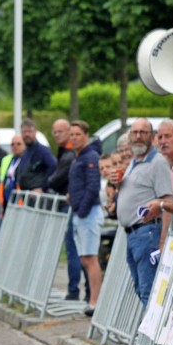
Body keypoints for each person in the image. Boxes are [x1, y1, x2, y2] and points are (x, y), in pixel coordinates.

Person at [116, 118, 173, 307]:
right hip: (133, 235)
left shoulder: (158, 163)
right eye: (134, 132)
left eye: (143, 132)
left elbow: (168, 201)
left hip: (148, 234)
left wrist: (163, 239)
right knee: (141, 289)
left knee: (150, 291)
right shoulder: (134, 161)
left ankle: (152, 336)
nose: (138, 137)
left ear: (152, 136)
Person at [66, 121, 103, 316]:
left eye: (77, 134)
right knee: (85, 258)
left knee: (90, 258)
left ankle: (95, 301)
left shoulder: (90, 156)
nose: (74, 138)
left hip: (87, 214)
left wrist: (81, 209)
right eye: (71, 135)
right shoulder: (77, 157)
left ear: (86, 135)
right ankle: (92, 299)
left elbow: (93, 186)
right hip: (80, 213)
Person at [49, 118, 86, 302]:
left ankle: (75, 290)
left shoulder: (72, 156)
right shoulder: (66, 153)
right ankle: (80, 291)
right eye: (54, 132)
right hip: (72, 205)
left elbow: (58, 180)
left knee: (76, 249)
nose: (58, 135)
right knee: (77, 249)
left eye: (74, 134)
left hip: (75, 207)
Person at [17, 118, 56, 193]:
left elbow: (53, 166)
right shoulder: (25, 152)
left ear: (35, 132)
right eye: (24, 132)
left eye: (29, 131)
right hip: (27, 195)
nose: (27, 134)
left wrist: (43, 188)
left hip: (38, 198)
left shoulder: (42, 151)